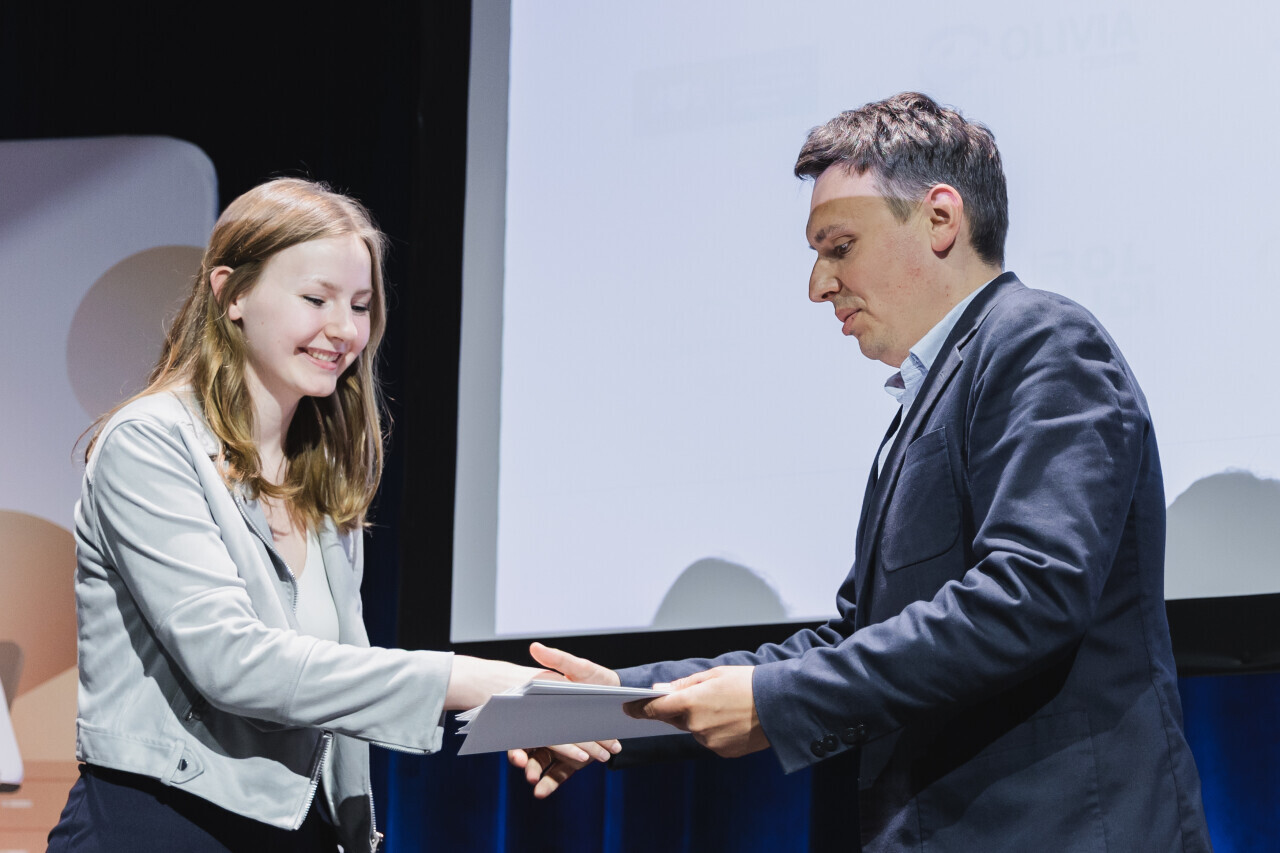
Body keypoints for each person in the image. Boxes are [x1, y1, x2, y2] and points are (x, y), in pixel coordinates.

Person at [511, 93, 1213, 851]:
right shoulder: (928, 401)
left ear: (940, 219)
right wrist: (616, 702)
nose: (818, 285)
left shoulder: (1042, 340)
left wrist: (775, 701)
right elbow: (855, 638)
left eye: (839, 246)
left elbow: (1029, 593)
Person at [47, 178, 614, 853]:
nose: (345, 330)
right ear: (232, 293)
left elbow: (332, 680)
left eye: (361, 305)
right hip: (158, 827)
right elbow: (233, 663)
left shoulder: (321, 469)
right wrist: (475, 679)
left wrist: (517, 710)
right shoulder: (150, 441)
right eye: (316, 299)